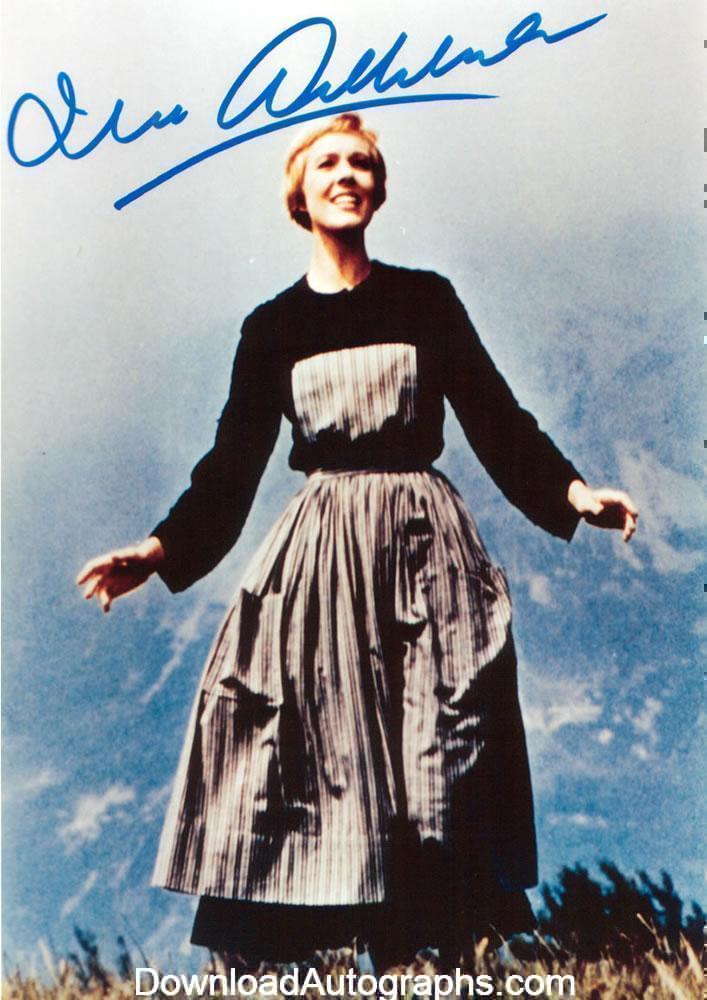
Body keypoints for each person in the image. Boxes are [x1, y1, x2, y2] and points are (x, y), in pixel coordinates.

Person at [76, 113, 638, 968]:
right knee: (313, 748)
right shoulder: (271, 327)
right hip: (322, 561)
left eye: (361, 164)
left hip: (424, 551)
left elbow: (494, 416)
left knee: (442, 745)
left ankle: (432, 960)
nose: (346, 174)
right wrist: (156, 553)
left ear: (377, 191)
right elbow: (230, 466)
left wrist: (573, 494)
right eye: (327, 164)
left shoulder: (426, 299)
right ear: (298, 198)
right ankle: (319, 947)